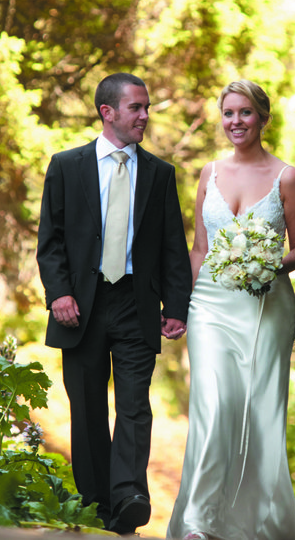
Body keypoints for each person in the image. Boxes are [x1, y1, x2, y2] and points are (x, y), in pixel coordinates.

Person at [36, 73, 192, 535]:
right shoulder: (66, 166)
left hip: (135, 305)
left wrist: (177, 306)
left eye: (146, 107)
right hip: (79, 307)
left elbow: (171, 247)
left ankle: (128, 495)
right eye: (136, 107)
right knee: (85, 408)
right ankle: (96, 503)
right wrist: (59, 293)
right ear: (108, 113)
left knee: (134, 405)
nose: (145, 115)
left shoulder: (161, 174)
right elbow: (51, 240)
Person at [167, 79, 295, 540]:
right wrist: (181, 307)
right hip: (209, 305)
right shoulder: (208, 173)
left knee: (260, 414)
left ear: (263, 118)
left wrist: (265, 265)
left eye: (245, 113)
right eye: (228, 113)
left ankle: (260, 525)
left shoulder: (287, 177)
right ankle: (198, 524)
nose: (235, 122)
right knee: (213, 405)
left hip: (266, 307)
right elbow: (198, 248)